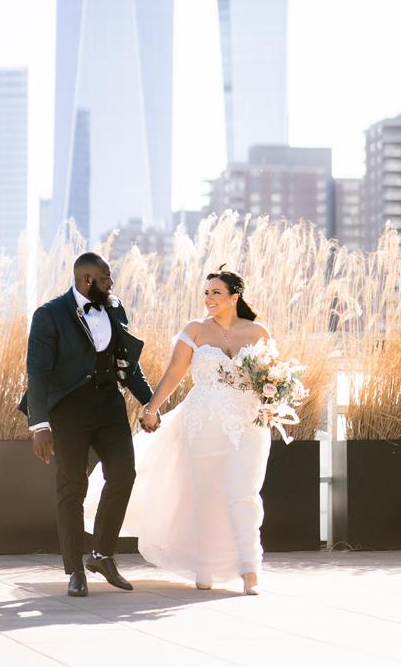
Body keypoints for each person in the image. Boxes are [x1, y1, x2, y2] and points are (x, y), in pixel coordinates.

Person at [85, 267, 272, 595]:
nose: (209, 298)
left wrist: (274, 402)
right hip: (201, 423)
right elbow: (175, 372)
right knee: (205, 495)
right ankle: (205, 566)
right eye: (206, 293)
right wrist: (152, 408)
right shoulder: (195, 330)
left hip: (247, 424)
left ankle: (249, 570)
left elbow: (270, 378)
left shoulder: (258, 333)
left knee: (244, 494)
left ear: (234, 297)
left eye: (216, 292)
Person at [23, 252, 159, 598]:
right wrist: (39, 425)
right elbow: (37, 373)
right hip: (68, 410)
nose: (111, 283)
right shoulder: (49, 314)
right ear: (87, 280)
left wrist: (151, 402)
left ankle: (102, 555)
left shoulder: (114, 307)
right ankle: (75, 570)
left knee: (124, 473)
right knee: (72, 485)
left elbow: (128, 364)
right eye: (105, 277)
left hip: (109, 406)